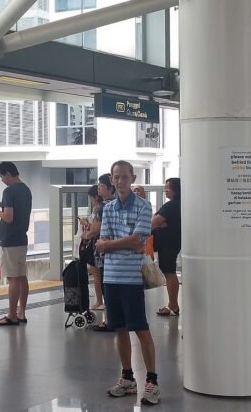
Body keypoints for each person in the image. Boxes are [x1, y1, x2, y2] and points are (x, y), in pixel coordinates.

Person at [97, 160, 160, 406]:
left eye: (124, 177)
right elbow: (102, 241)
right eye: (116, 177)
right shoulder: (108, 208)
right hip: (110, 278)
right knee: (120, 329)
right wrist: (119, 242)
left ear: (132, 178)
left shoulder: (144, 206)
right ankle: (128, 378)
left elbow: (137, 242)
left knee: (141, 330)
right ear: (111, 180)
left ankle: (152, 382)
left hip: (132, 279)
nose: (120, 181)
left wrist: (111, 244)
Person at [0, 162, 32, 326]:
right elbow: (16, 211)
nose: (2, 180)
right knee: (22, 277)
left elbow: (8, 218)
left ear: (7, 173)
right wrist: (1, 204)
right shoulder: (25, 189)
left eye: (1, 176)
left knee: (13, 279)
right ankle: (21, 312)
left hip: (10, 240)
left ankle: (12, 315)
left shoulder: (9, 190)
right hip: (22, 239)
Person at [152, 178, 181, 317]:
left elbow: (154, 221)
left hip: (168, 243)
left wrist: (159, 222)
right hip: (173, 242)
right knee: (169, 271)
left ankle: (173, 304)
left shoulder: (172, 205)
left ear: (175, 189)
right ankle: (172, 304)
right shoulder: (178, 204)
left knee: (169, 271)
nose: (165, 190)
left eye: (168, 187)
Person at [92, 173, 117, 332]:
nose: (99, 188)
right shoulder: (117, 203)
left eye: (101, 186)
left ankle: (109, 320)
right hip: (116, 250)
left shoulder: (102, 207)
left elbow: (96, 229)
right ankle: (113, 319)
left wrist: (87, 232)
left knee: (105, 283)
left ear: (109, 188)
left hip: (104, 250)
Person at [78, 185, 104, 310]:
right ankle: (101, 300)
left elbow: (94, 229)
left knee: (96, 274)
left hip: (96, 245)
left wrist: (85, 232)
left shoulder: (98, 209)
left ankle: (99, 301)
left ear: (95, 197)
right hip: (101, 243)